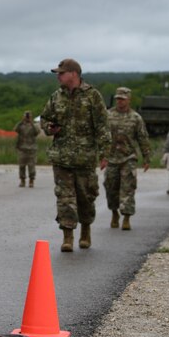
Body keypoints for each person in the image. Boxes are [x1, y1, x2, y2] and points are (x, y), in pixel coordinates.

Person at [40, 58, 111, 252]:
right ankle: (68, 236)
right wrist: (49, 128)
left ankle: (86, 230)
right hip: (61, 157)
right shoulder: (56, 97)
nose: (58, 77)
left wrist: (105, 153)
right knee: (64, 199)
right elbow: (45, 118)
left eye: (61, 73)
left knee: (85, 197)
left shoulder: (92, 96)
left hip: (85, 158)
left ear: (74, 74)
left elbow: (103, 126)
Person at [105, 87, 151, 230]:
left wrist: (146, 157)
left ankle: (126, 217)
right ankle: (114, 213)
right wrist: (101, 156)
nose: (120, 101)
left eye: (123, 99)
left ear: (129, 100)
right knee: (111, 187)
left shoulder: (135, 118)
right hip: (112, 158)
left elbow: (143, 138)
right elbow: (102, 137)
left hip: (128, 158)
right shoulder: (108, 115)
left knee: (128, 188)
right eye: (118, 98)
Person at [13, 111, 40, 188]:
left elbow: (37, 132)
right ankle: (22, 180)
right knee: (22, 166)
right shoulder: (21, 125)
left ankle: (31, 180)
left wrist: (31, 122)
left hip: (31, 149)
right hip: (22, 148)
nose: (27, 117)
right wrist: (22, 121)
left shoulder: (33, 126)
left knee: (31, 166)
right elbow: (15, 129)